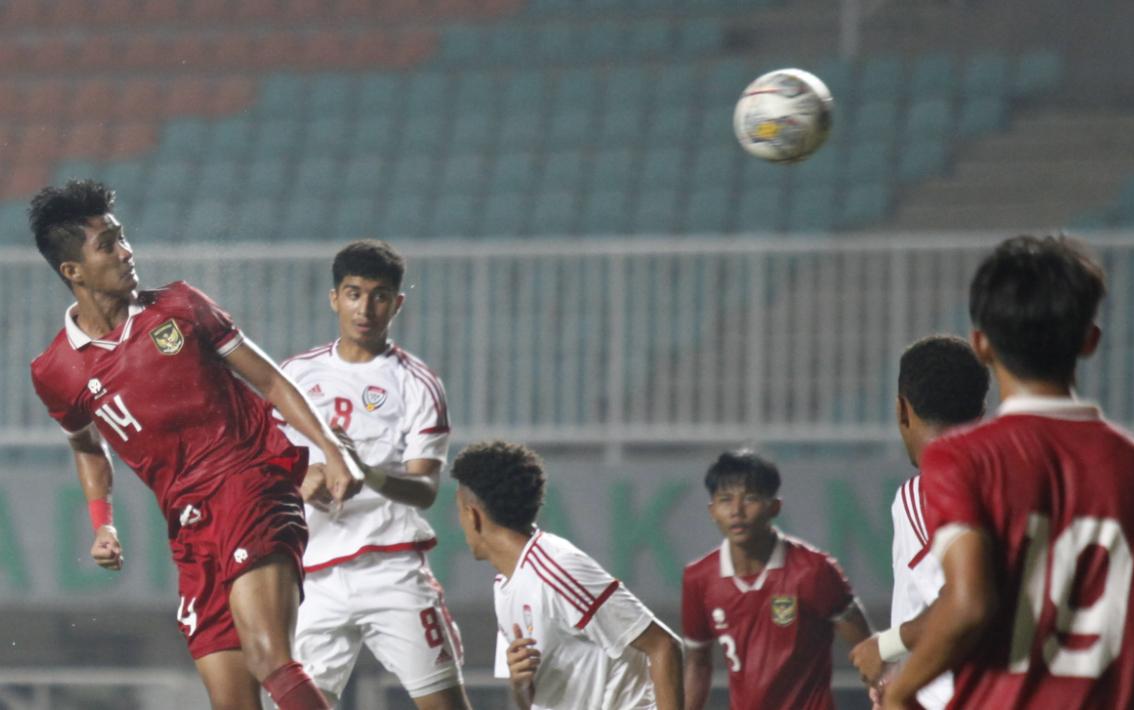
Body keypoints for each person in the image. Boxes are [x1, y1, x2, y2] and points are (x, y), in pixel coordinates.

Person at [27, 180, 362, 710]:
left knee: (270, 657)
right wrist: (103, 523)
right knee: (232, 702)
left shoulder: (180, 306)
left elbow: (270, 380)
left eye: (122, 237)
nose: (126, 251)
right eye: (108, 245)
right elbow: (87, 447)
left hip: (250, 483)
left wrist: (330, 451)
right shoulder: (55, 371)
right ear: (73, 271)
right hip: (188, 525)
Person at [883, 235, 1134, 709]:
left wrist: (899, 690)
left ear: (982, 344)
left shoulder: (962, 461)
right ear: (1090, 340)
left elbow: (968, 604)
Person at [276, 240, 470, 709]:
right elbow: (262, 462)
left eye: (379, 296)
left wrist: (368, 473)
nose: (365, 308)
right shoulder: (295, 374)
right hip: (314, 576)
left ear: (397, 303)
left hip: (391, 568)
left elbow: (425, 489)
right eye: (354, 293)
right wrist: (298, 478)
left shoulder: (417, 383)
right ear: (334, 298)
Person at [450, 440, 684, 710]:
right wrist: (519, 684)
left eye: (459, 511)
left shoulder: (556, 569)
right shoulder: (504, 586)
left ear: (473, 515)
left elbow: (664, 646)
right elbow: (530, 702)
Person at [848, 335, 989, 709]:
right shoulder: (1009, 485)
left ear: (901, 409)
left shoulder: (922, 495)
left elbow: (960, 601)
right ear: (981, 412)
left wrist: (885, 647)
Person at [681, 450, 874, 710]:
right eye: (725, 500)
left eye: (750, 498)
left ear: (774, 507)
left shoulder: (813, 570)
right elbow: (697, 663)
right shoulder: (698, 579)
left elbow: (868, 649)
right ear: (712, 511)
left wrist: (886, 696)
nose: (737, 511)